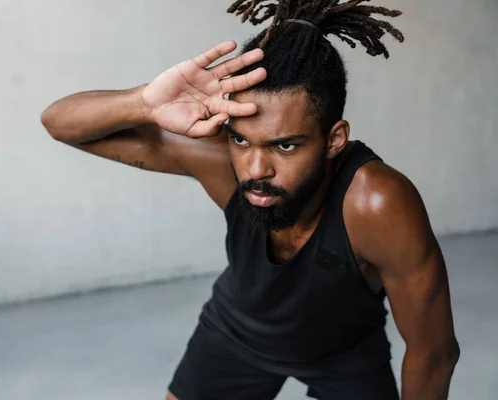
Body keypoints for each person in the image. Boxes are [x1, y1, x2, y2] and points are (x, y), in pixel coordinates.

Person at [41, 1, 460, 399]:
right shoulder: (221, 158)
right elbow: (58, 123)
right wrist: (145, 103)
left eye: (285, 147)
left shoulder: (376, 204)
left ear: (334, 140)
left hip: (344, 355)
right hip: (236, 333)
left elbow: (434, 352)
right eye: (241, 139)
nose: (256, 168)